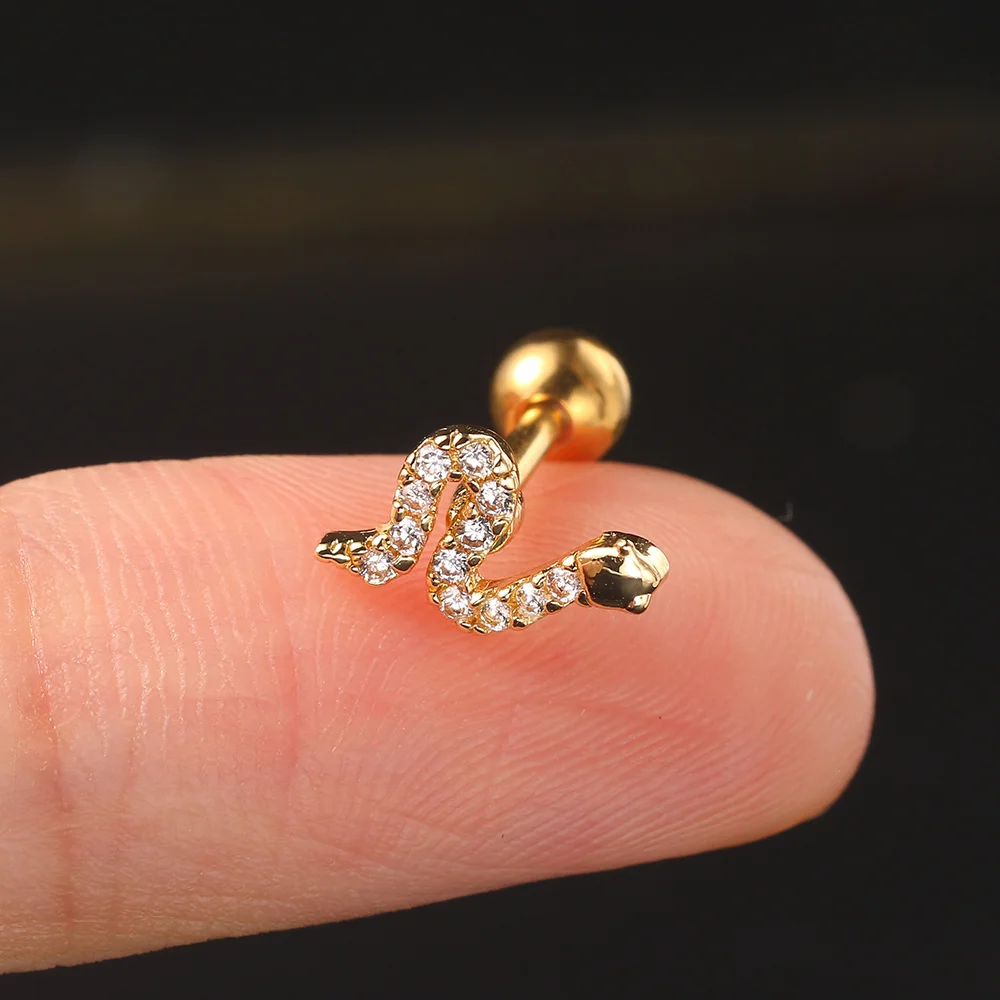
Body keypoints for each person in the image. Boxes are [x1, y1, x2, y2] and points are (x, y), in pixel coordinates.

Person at [0, 452, 874, 971]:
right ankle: (393, 547)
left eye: (611, 581)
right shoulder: (488, 537)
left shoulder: (508, 570)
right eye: (616, 581)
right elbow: (470, 596)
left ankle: (399, 548)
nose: (627, 594)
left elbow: (478, 598)